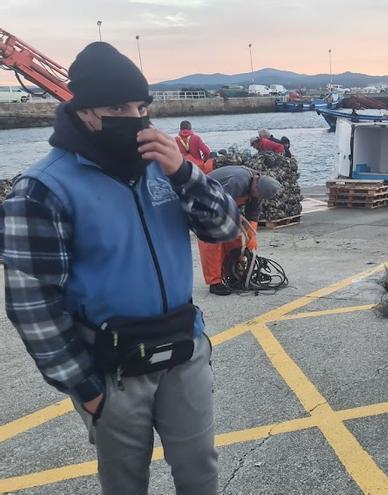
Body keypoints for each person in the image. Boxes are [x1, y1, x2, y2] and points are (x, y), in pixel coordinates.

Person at [0, 42, 241, 494]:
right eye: (117, 106)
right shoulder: (43, 189)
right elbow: (31, 301)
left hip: (182, 351)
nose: (134, 117)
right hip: (111, 370)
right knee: (125, 483)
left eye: (141, 105)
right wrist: (84, 387)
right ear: (85, 111)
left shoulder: (163, 168)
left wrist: (184, 174)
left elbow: (225, 227)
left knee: (200, 472)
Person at [198, 165, 281, 295]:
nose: (257, 196)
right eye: (257, 194)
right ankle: (215, 283)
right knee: (212, 240)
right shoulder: (239, 181)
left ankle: (233, 274)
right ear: (256, 184)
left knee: (234, 237)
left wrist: (251, 243)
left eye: (260, 196)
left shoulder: (258, 191)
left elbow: (252, 218)